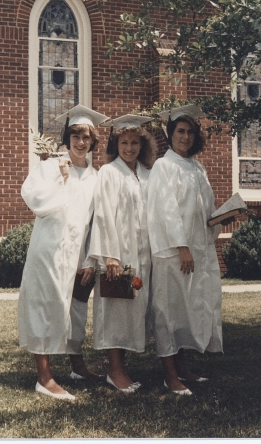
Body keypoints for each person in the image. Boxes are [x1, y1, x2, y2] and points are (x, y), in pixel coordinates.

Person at [18, 104, 109, 399]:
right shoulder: (50, 166)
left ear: (93, 142)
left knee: (76, 309)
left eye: (86, 137)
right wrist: (62, 177)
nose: (81, 142)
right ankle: (44, 378)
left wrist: (89, 258)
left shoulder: (96, 177)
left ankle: (76, 364)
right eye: (75, 136)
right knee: (46, 305)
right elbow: (33, 199)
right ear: (67, 138)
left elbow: (95, 220)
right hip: (49, 249)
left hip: (77, 254)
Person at [147, 104, 229, 396]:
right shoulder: (163, 167)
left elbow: (203, 210)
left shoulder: (197, 168)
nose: (185, 137)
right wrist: (181, 247)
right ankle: (170, 376)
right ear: (170, 134)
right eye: (180, 131)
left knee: (183, 311)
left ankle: (182, 368)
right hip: (173, 253)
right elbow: (165, 211)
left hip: (195, 250)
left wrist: (221, 218)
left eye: (190, 132)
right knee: (167, 312)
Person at [88, 114, 157, 392]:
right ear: (116, 144)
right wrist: (110, 255)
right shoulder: (109, 172)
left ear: (143, 145)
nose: (129, 148)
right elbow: (103, 215)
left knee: (132, 312)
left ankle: (122, 369)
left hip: (143, 255)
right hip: (119, 255)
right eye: (124, 142)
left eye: (135, 143)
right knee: (116, 311)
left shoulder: (147, 174)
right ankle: (114, 371)